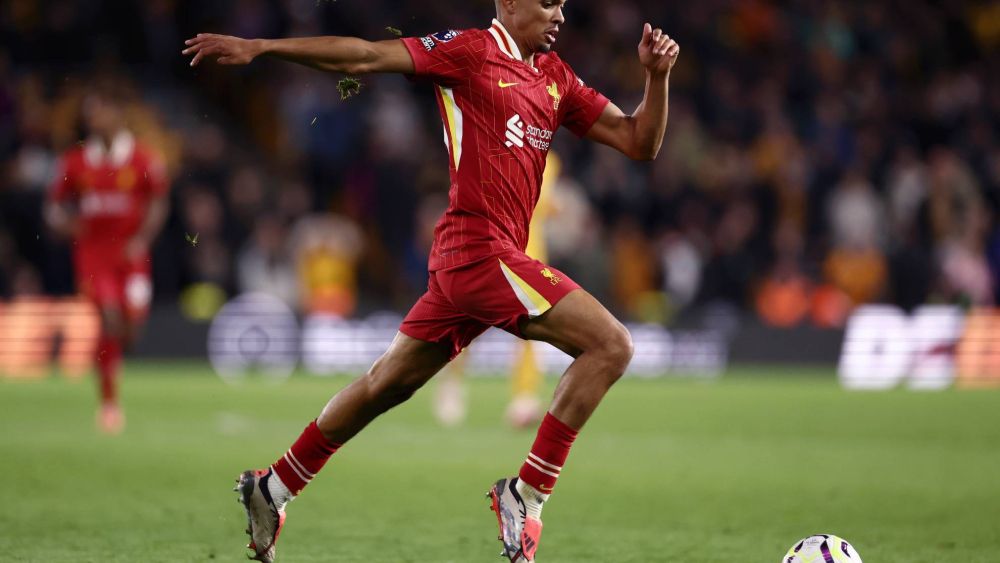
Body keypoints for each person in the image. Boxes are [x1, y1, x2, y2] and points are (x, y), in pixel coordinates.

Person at [184, 0, 678, 560]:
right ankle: (527, 494)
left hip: (469, 264)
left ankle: (274, 487)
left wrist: (656, 78)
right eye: (546, 2)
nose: (559, 14)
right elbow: (367, 57)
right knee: (612, 344)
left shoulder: (555, 77)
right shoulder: (470, 52)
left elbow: (640, 142)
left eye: (563, 4)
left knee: (384, 386)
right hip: (480, 251)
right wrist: (263, 47)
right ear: (510, 3)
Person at [45, 86, 169, 434]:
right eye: (89, 113)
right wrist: (67, 224)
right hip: (93, 256)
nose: (92, 119)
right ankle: (109, 404)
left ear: (116, 113)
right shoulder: (75, 160)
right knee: (108, 319)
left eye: (98, 111)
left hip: (131, 255)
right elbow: (54, 206)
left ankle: (109, 367)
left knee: (130, 328)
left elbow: (159, 200)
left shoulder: (142, 158)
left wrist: (142, 238)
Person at [433, 152, 565, 430]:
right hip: (494, 252)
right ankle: (452, 383)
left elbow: (542, 202)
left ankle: (524, 399)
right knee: (472, 324)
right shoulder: (498, 150)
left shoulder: (551, 161)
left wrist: (552, 206)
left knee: (534, 329)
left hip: (532, 255)